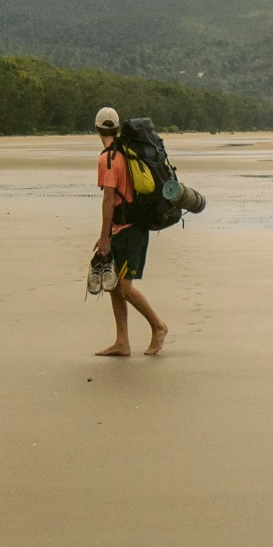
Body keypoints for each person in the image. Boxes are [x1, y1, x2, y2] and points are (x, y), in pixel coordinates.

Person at [90, 106, 170, 358]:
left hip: (129, 231)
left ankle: (158, 327)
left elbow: (108, 200)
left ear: (96, 128)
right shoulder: (125, 153)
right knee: (113, 286)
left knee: (124, 288)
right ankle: (122, 342)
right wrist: (107, 234)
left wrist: (104, 237)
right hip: (124, 229)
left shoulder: (109, 159)